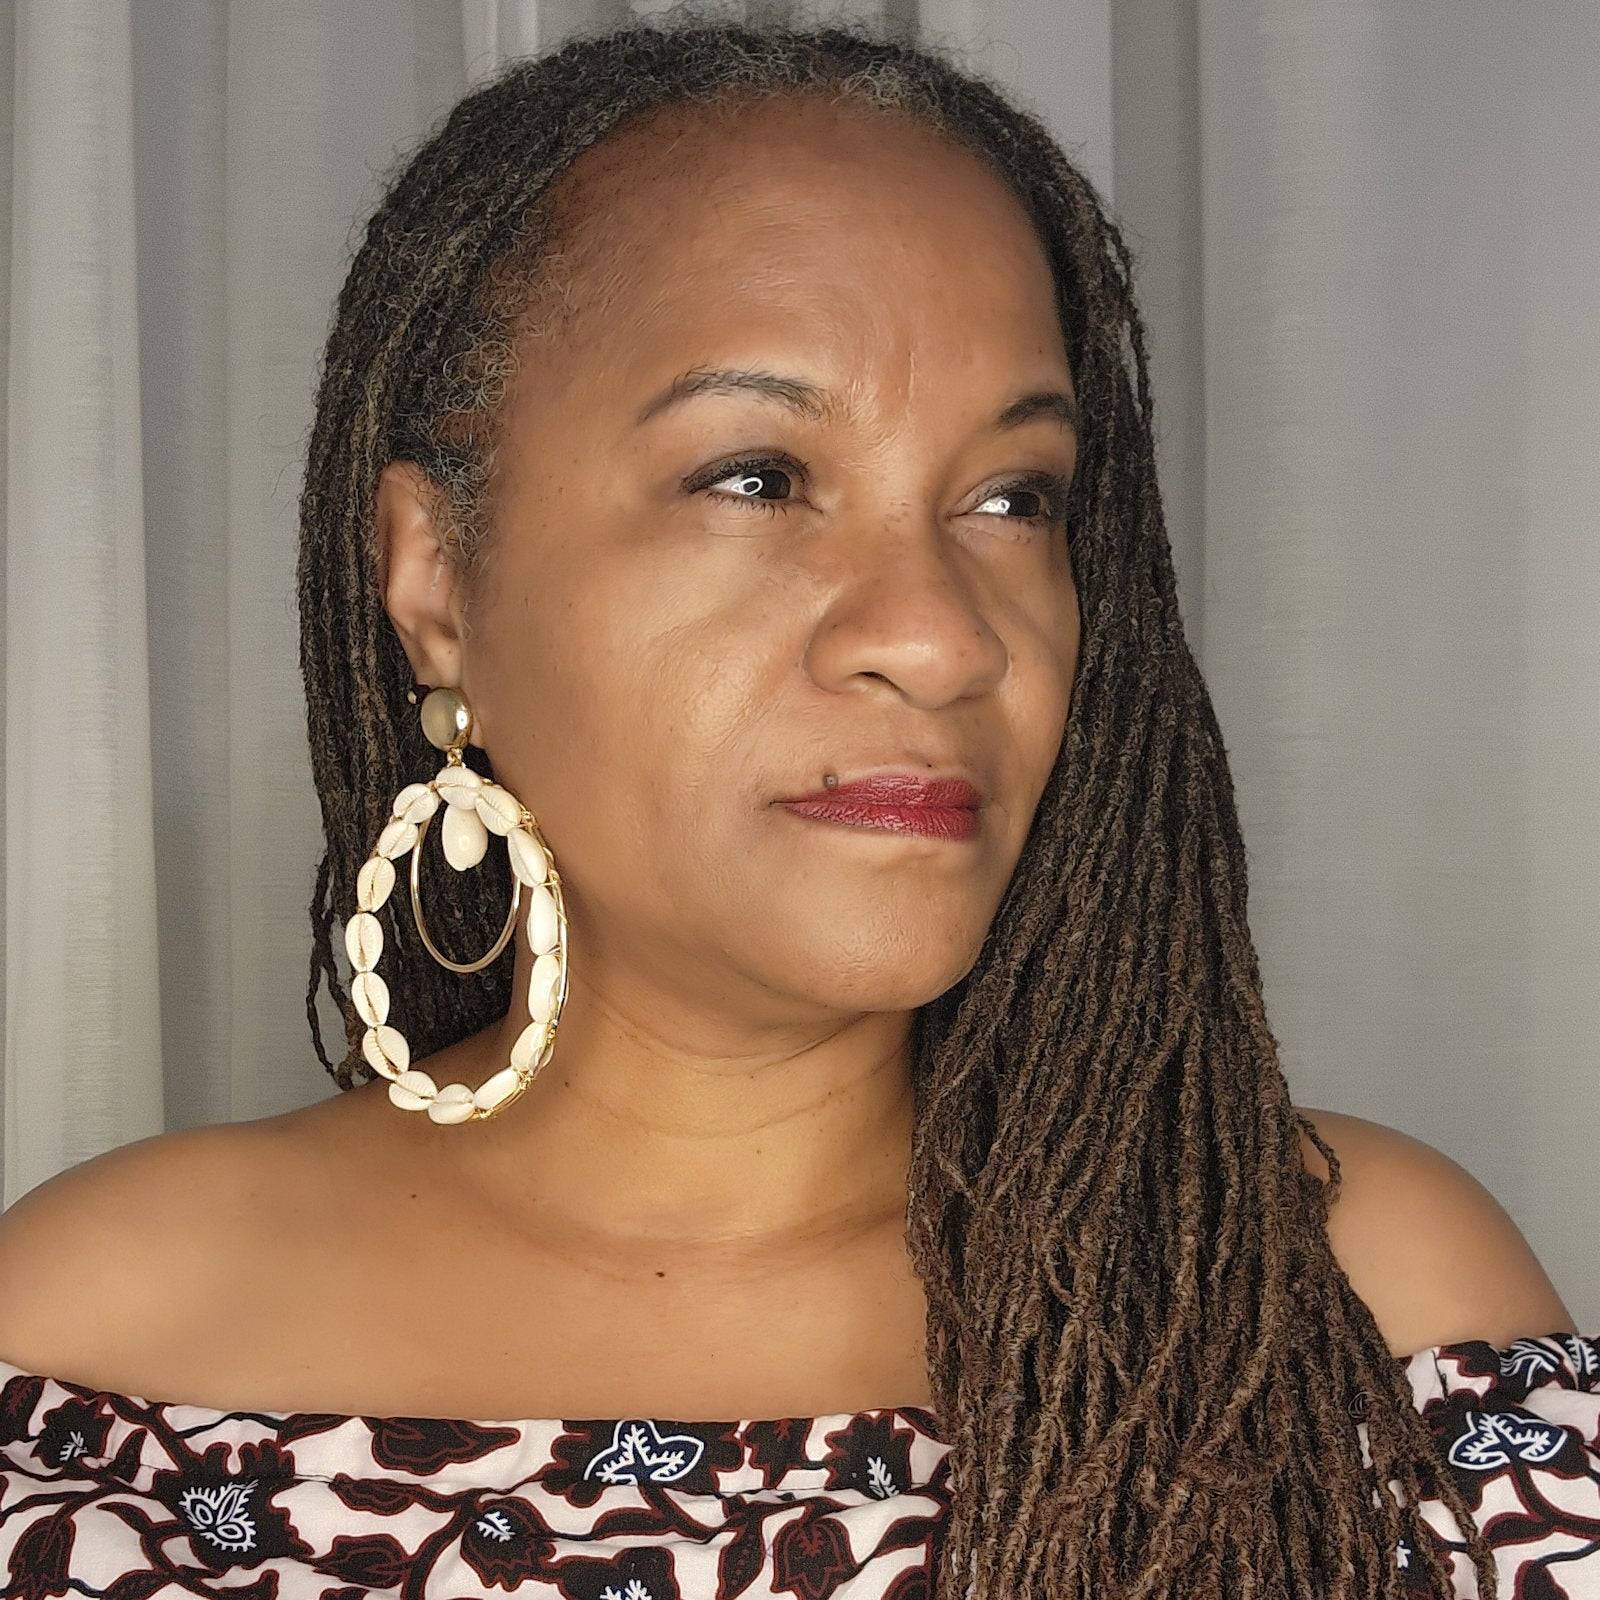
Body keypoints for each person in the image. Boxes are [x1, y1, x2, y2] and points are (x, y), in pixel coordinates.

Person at [0, 12, 1590, 1600]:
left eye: (1011, 500)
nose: (944, 635)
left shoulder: (1351, 1308)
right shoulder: (91, 1363)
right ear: (435, 580)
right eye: (757, 476)